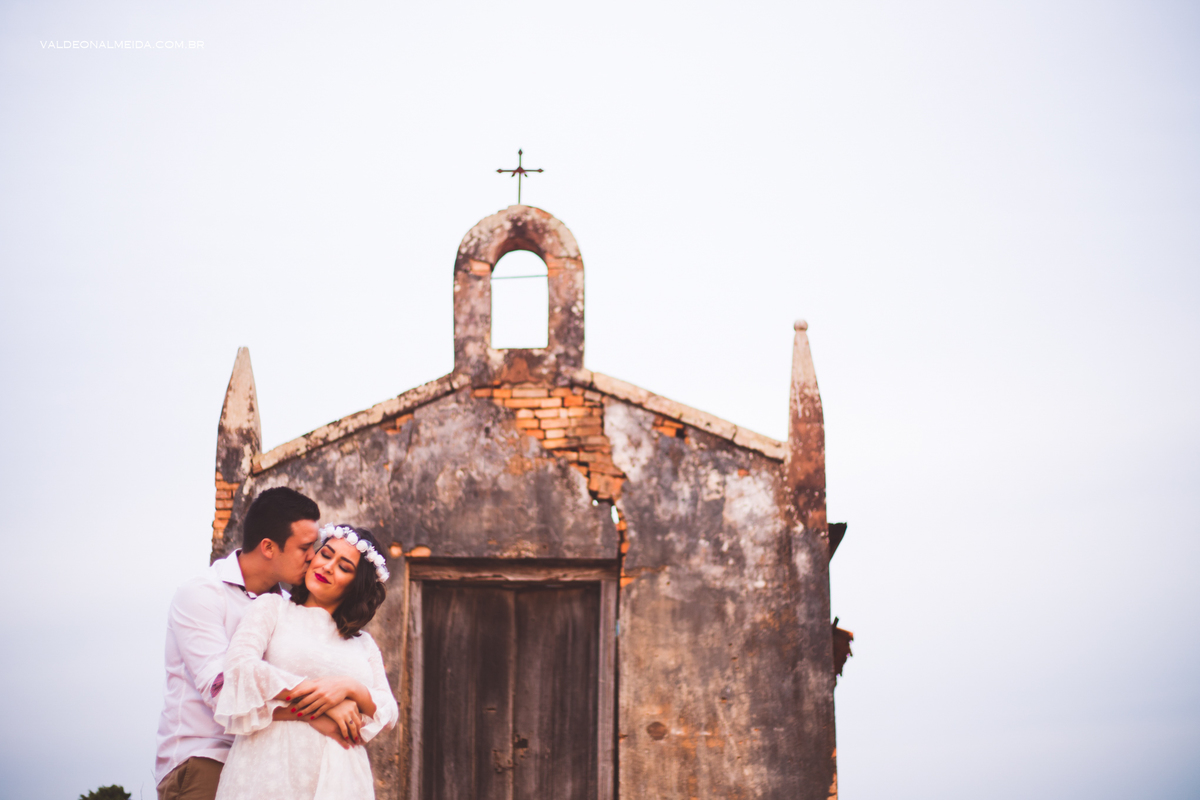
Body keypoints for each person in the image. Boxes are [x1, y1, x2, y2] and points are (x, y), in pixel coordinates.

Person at [155, 487, 324, 800]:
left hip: (267, 763)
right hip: (206, 760)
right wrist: (318, 711)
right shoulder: (202, 594)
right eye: (305, 547)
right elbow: (223, 693)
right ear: (269, 547)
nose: (313, 556)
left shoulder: (288, 608)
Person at [211, 525, 399, 800]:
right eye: (326, 554)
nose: (328, 567)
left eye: (344, 567)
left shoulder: (364, 644)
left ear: (356, 586)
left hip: (343, 780)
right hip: (270, 769)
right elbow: (240, 670)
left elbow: (388, 712)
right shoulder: (272, 609)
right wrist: (325, 708)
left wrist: (349, 688)